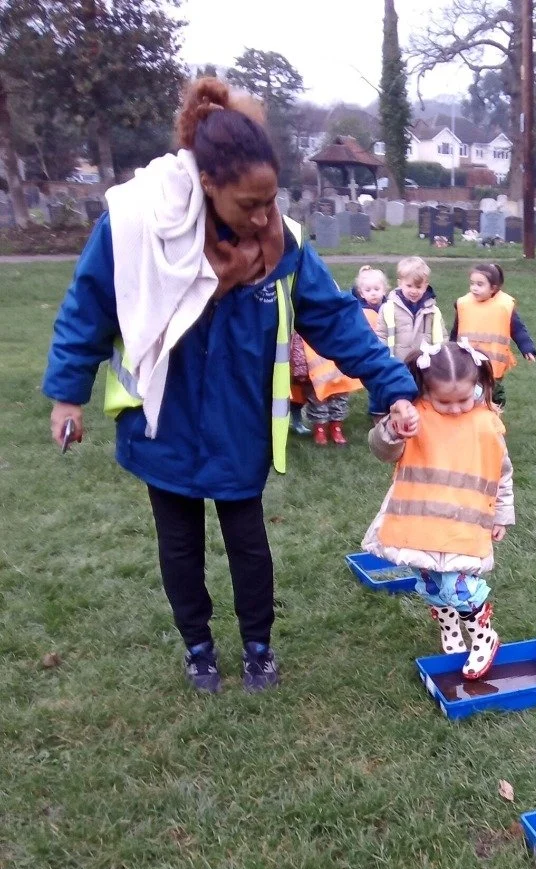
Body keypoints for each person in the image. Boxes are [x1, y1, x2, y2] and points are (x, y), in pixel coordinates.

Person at [43, 77, 418, 692]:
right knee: (179, 546)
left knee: (248, 544)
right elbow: (88, 307)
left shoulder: (282, 245)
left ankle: (258, 648)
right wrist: (67, 395)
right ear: (206, 184)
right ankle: (198, 648)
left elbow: (335, 319)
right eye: (249, 204)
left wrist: (392, 383)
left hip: (239, 423)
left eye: (271, 200)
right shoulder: (137, 228)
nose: (263, 217)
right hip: (163, 421)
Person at [361, 341, 514, 680]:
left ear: (478, 386)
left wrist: (502, 514)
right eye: (444, 401)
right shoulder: (415, 417)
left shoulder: (486, 424)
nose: (456, 408)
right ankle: (449, 627)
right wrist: (391, 430)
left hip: (464, 524)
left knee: (458, 585)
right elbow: (383, 451)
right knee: (430, 580)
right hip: (419, 522)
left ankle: (484, 636)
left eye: (464, 399)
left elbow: (501, 472)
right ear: (424, 390)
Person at [450, 262, 536, 408]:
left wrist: (527, 347)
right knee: (469, 393)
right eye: (472, 283)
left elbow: (518, 329)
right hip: (467, 361)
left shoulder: (504, 306)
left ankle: (494, 411)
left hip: (493, 364)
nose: (474, 288)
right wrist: (450, 350)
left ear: (493, 288)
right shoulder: (464, 304)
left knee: (492, 395)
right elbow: (456, 330)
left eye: (480, 284)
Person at [376, 256, 445, 361]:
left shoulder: (433, 312)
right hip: (397, 364)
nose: (414, 291)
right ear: (400, 283)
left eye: (418, 287)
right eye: (409, 286)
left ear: (426, 286)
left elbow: (442, 339)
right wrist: (384, 361)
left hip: (425, 365)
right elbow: (381, 336)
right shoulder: (388, 309)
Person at [353, 264, 389, 331]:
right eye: (368, 290)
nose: (373, 293)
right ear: (361, 294)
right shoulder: (360, 311)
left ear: (384, 290)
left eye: (376, 289)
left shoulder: (390, 306)